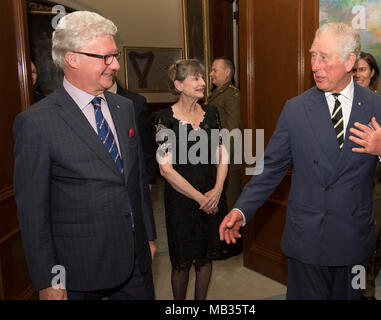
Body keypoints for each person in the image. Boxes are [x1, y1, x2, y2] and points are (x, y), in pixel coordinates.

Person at [219, 22, 381, 300]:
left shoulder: (378, 106)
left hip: (353, 242)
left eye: (323, 57)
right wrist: (242, 210)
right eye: (313, 55)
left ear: (349, 61)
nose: (314, 65)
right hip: (307, 241)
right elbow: (270, 167)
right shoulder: (295, 109)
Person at [14, 11, 156, 300]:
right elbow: (34, 214)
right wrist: (49, 280)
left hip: (134, 260)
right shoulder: (37, 122)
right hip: (77, 269)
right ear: (72, 58)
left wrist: (149, 238)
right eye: (105, 57)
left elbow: (137, 181)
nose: (115, 65)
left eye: (114, 56)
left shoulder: (124, 108)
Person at [152, 59, 234, 300]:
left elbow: (222, 152)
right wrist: (199, 197)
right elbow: (165, 170)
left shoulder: (212, 112)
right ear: (178, 85)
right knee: (181, 263)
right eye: (195, 78)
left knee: (206, 258)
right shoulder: (162, 118)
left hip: (211, 195)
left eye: (202, 77)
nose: (202, 82)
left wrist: (218, 189)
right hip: (181, 201)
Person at [353, 51, 381, 300]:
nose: (358, 74)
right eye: (355, 69)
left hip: (376, 188)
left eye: (363, 69)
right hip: (348, 188)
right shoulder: (342, 104)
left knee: (368, 245)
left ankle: (365, 290)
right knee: (350, 245)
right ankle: (352, 290)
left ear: (372, 73)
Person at [108, 77, 158, 189]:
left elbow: (146, 145)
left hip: (131, 179)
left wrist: (149, 179)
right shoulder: (86, 100)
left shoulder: (136, 102)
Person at [208, 57, 242, 211]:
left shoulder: (231, 95)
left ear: (227, 72)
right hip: (217, 156)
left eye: (215, 70)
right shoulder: (217, 94)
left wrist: (224, 159)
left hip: (228, 160)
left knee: (229, 204)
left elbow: (233, 130)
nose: (211, 74)